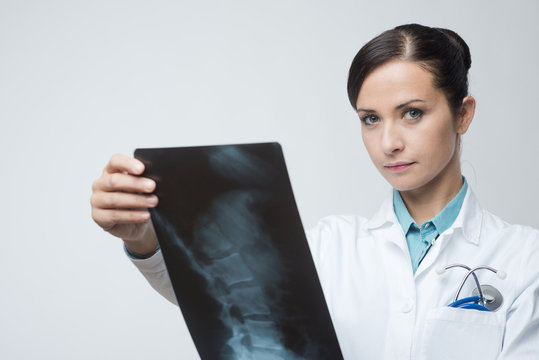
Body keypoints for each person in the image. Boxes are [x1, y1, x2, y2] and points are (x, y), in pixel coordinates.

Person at [90, 24, 539, 359]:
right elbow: (220, 297)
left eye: (413, 113)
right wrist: (142, 238)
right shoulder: (328, 247)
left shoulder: (525, 260)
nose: (389, 143)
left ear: (463, 114)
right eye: (370, 118)